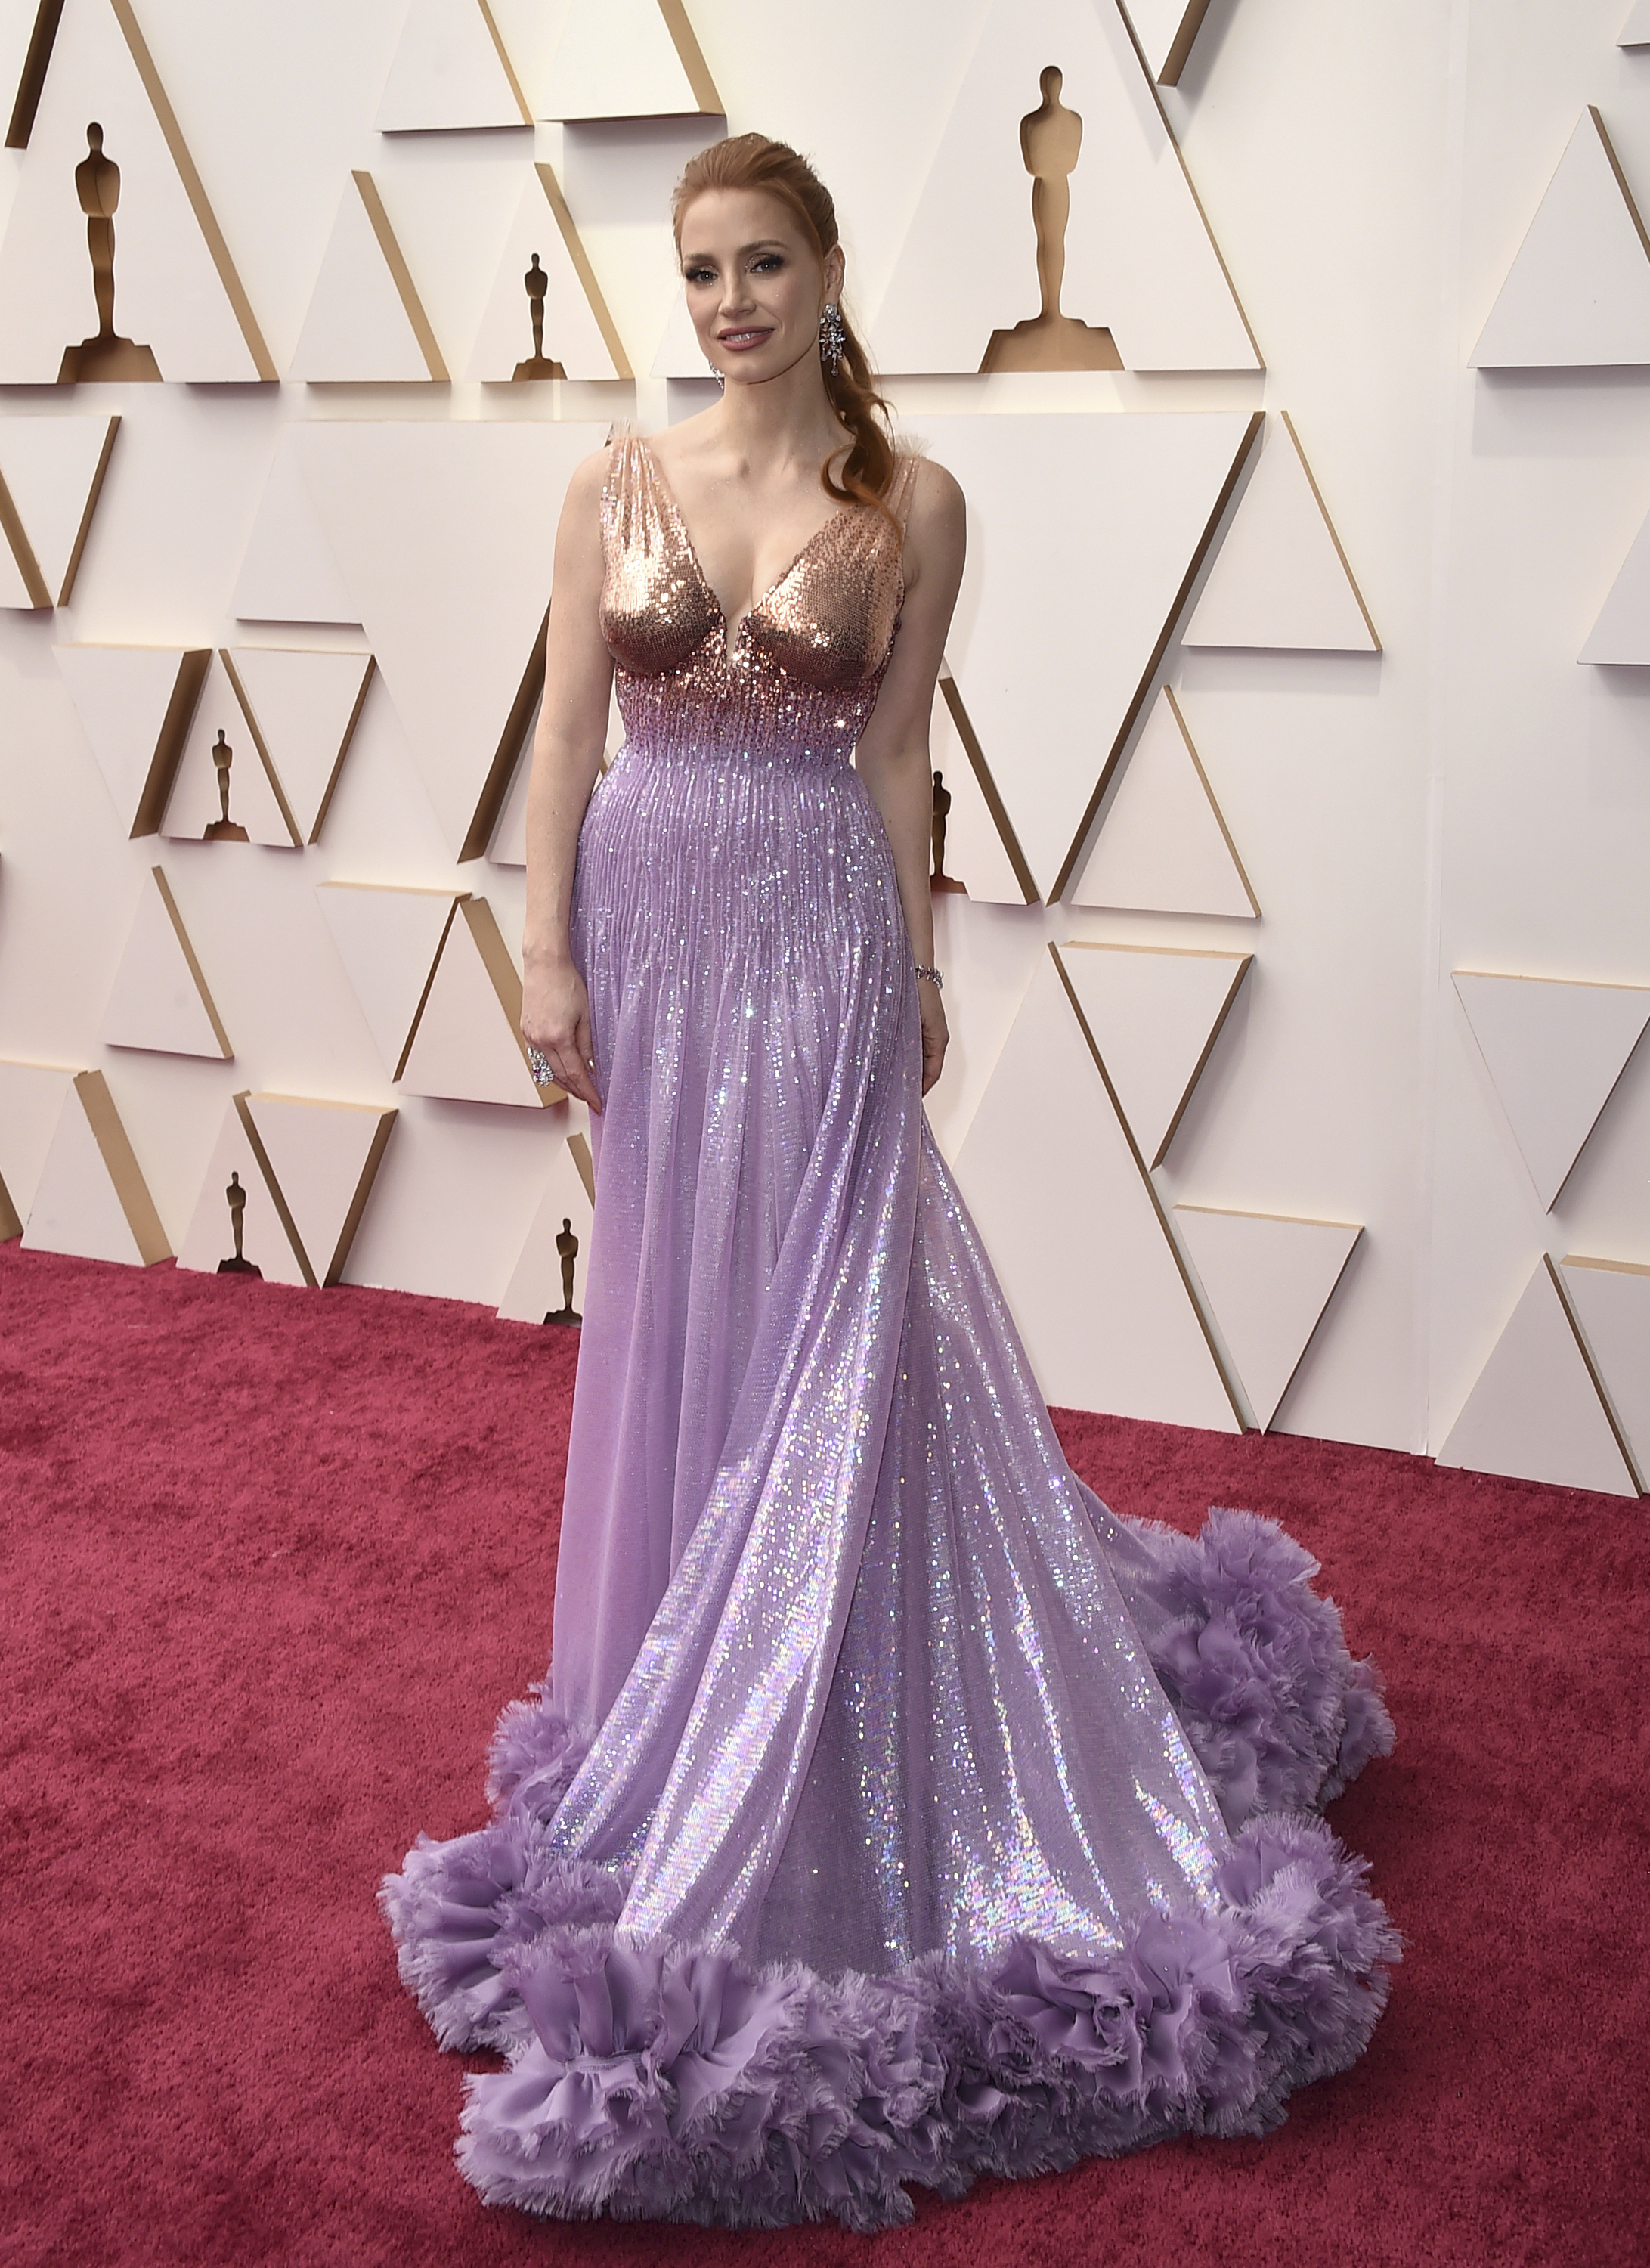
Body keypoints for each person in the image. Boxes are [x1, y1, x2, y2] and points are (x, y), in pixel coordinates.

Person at [382, 132, 1397, 2232]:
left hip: (825, 930)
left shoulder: (913, 503)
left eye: (763, 262)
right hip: (655, 926)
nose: (729, 299)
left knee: (842, 1308)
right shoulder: (609, 487)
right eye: (700, 269)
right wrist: (545, 948)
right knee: (688, 1303)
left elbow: (897, 753)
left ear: (831, 272)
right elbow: (567, 738)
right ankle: (695, 1669)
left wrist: (925, 961)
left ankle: (839, 1705)